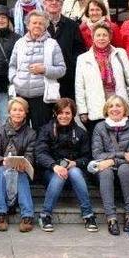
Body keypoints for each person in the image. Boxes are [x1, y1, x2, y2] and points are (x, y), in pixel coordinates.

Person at [36, 99, 98, 233]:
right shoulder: (46, 130)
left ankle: (88, 214)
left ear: (73, 114)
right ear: (55, 113)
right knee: (59, 175)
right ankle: (45, 215)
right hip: (51, 172)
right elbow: (40, 154)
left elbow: (88, 157)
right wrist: (54, 166)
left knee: (75, 171)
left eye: (67, 113)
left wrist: (75, 163)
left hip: (74, 174)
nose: (64, 116)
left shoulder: (81, 132)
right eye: (60, 113)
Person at [75, 22, 129, 135]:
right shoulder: (83, 58)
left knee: (122, 139)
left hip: (119, 104)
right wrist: (82, 110)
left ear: (109, 38)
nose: (101, 38)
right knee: (99, 141)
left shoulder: (120, 53)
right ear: (93, 38)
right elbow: (79, 86)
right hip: (96, 106)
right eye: (98, 35)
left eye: (104, 35)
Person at [91, 95, 129, 236]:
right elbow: (97, 154)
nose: (115, 109)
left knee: (125, 169)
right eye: (111, 106)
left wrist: (113, 160)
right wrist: (122, 155)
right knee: (105, 171)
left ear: (125, 108)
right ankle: (111, 217)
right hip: (105, 169)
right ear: (107, 109)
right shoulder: (99, 127)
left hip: (126, 168)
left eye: (118, 105)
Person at [9, 11, 66, 130]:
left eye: (41, 23)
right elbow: (12, 65)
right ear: (28, 25)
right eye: (34, 23)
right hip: (20, 94)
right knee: (19, 130)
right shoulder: (19, 43)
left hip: (42, 97)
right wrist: (14, 79)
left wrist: (45, 69)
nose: (37, 25)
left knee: (41, 131)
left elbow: (62, 69)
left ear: (45, 26)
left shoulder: (52, 44)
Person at [0, 97, 37, 233]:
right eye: (14, 110)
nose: (17, 113)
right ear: (9, 112)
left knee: (20, 172)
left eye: (21, 110)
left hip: (20, 169)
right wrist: (1, 160)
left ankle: (27, 216)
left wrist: (24, 162)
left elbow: (30, 154)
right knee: (1, 171)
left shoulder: (31, 133)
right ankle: (0, 214)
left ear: (25, 113)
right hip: (2, 168)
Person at [42, 0, 86, 100]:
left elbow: (79, 50)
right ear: (44, 4)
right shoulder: (38, 25)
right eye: (50, 0)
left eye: (57, 0)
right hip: (44, 78)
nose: (54, 2)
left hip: (67, 77)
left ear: (62, 4)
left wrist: (72, 63)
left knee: (66, 112)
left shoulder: (72, 25)